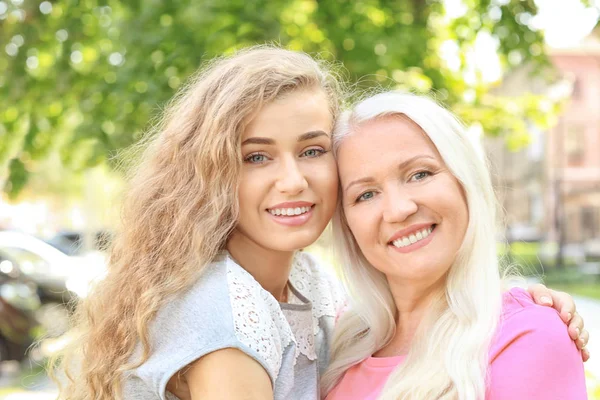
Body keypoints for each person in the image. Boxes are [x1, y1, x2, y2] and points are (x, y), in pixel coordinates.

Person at [52, 47, 587, 400]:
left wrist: (512, 303)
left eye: (311, 150)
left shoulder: (309, 289)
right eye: (256, 157)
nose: (293, 181)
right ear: (210, 174)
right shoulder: (225, 317)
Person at [323, 92, 588, 399]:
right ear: (347, 223)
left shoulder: (526, 336)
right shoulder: (342, 342)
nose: (398, 209)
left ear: (465, 182)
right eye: (365, 194)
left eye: (419, 174)